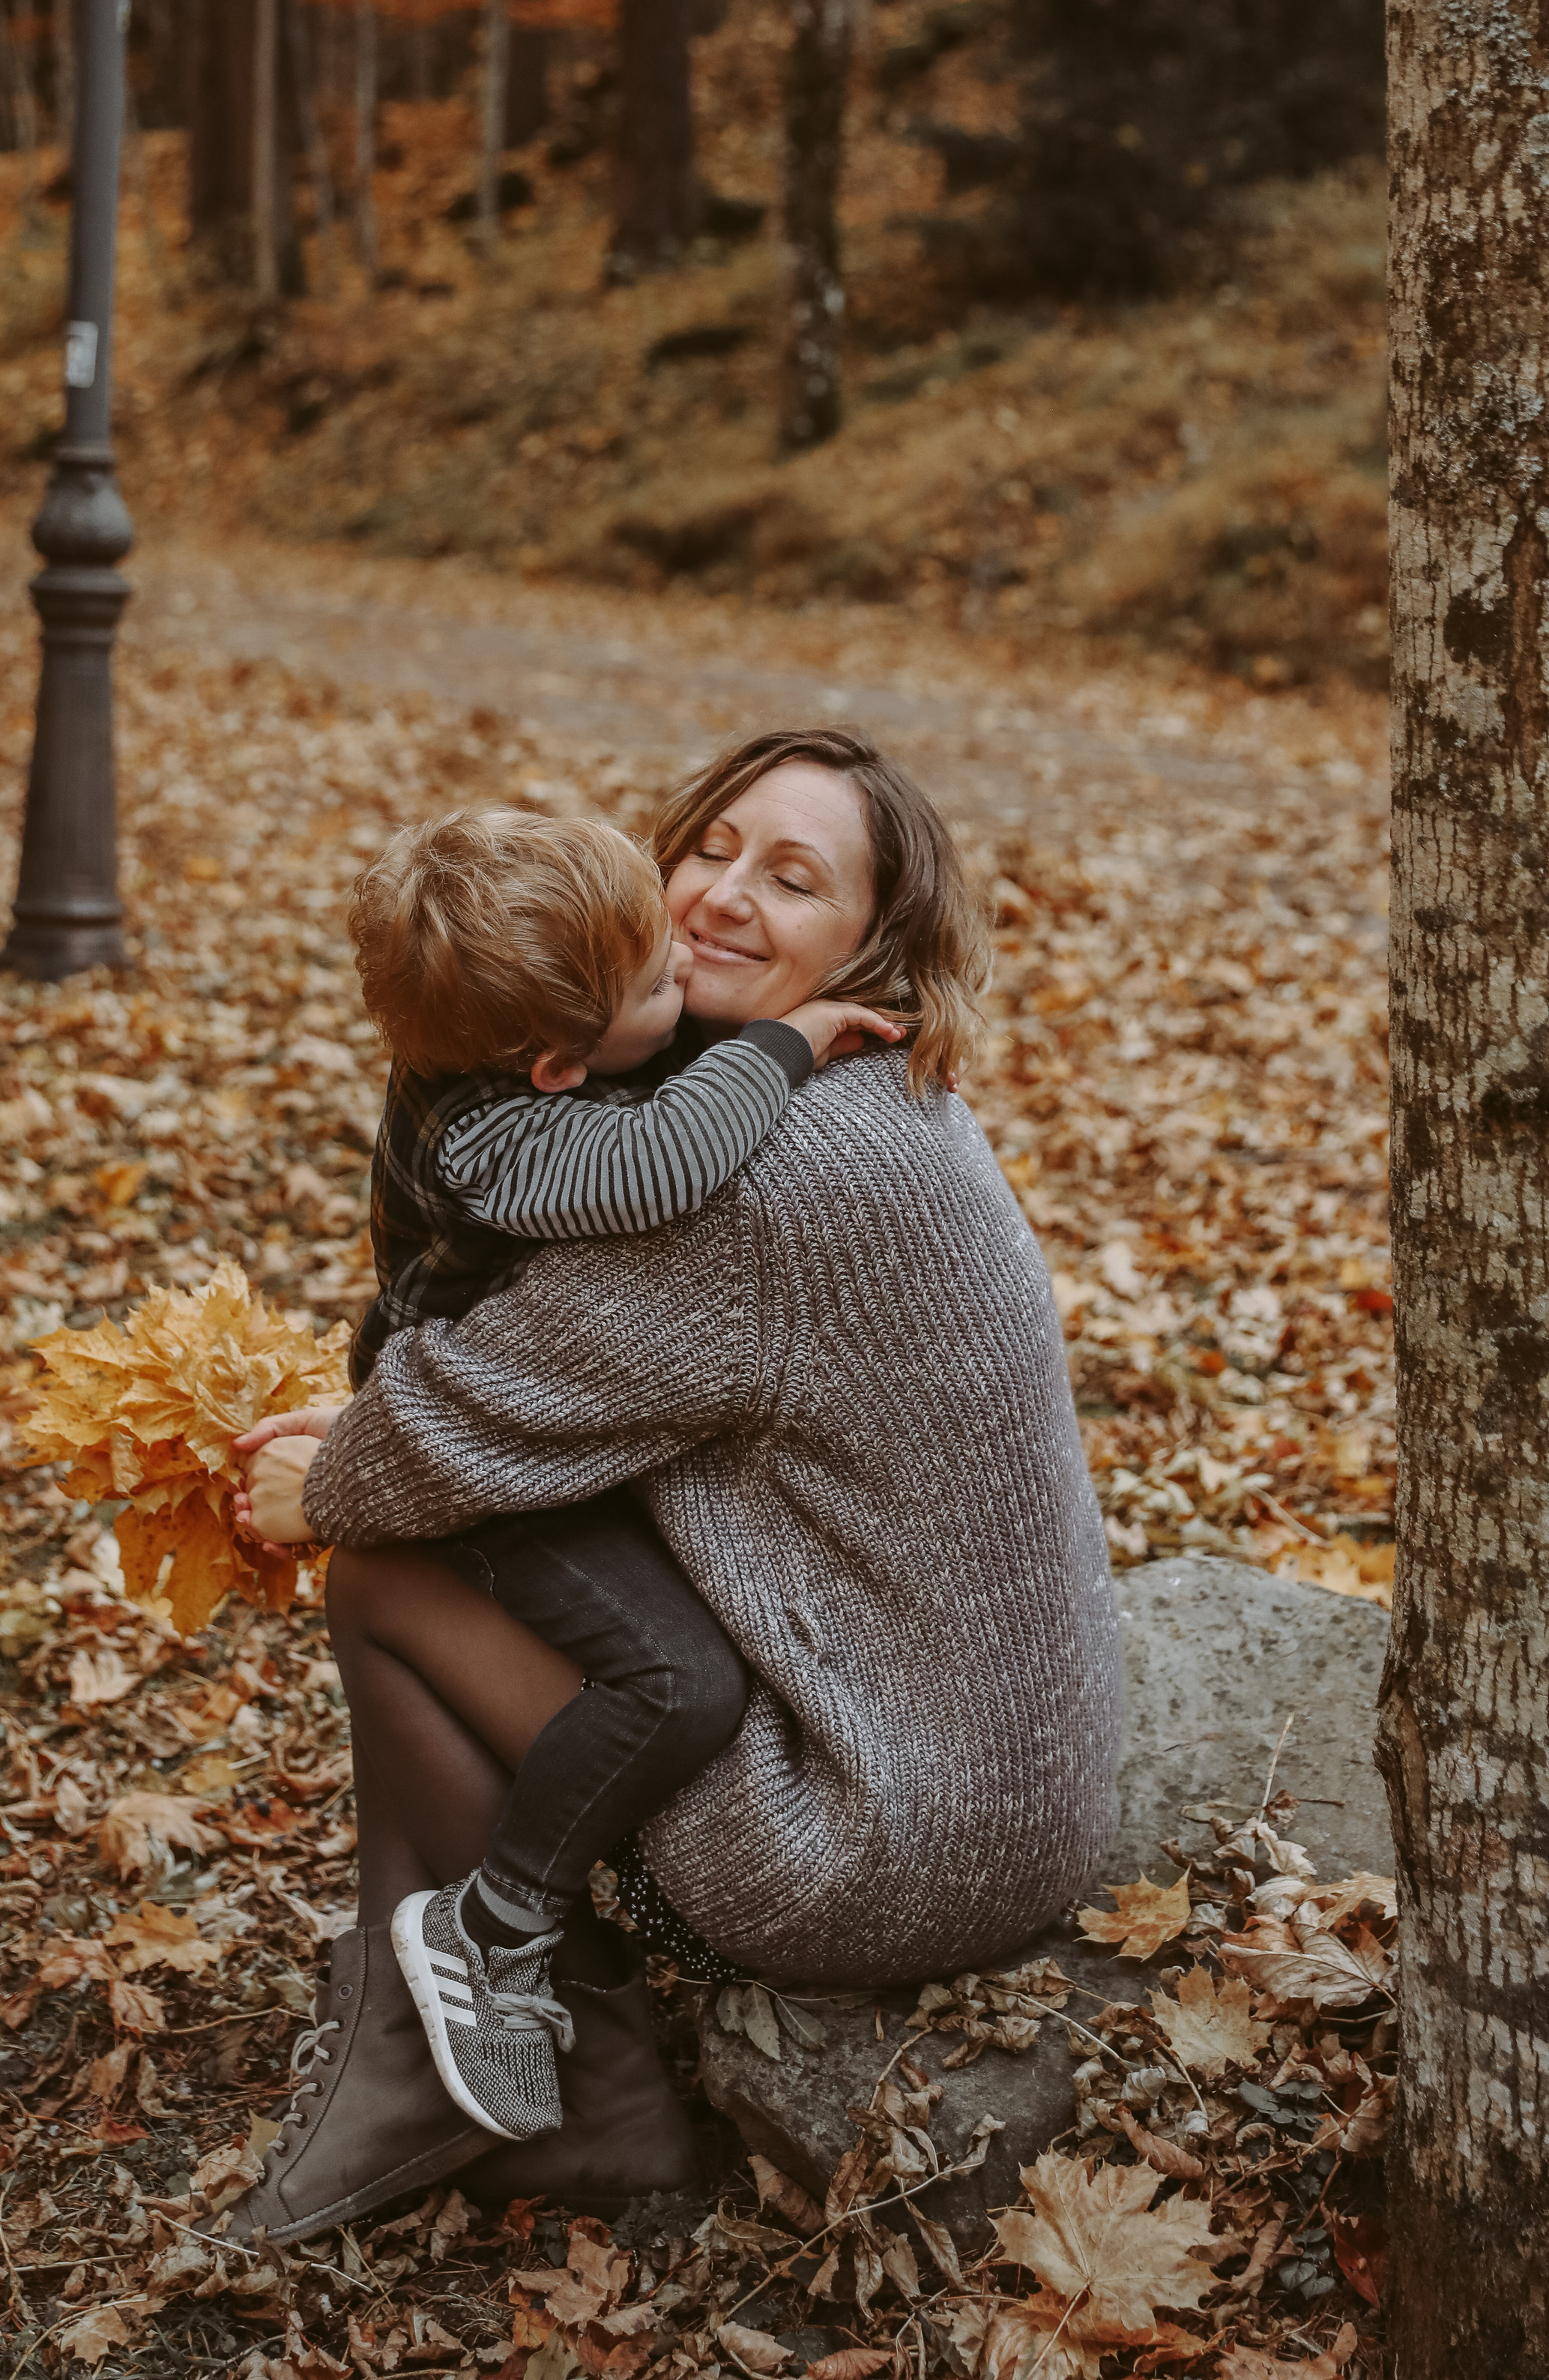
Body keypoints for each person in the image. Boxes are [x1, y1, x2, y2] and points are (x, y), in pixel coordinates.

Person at [220, 728, 1123, 2252]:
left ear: (870, 945)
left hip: (881, 1840)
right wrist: (389, 1426)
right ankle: (494, 2025)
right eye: (709, 846)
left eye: (790, 879)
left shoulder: (779, 1175)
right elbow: (575, 1378)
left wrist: (335, 1476)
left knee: (382, 1573)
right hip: (982, 1779)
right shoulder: (839, 1101)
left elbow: (472, 1422)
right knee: (466, 1534)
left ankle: (533, 2078)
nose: (717, 896)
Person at [244, 804, 904, 2148]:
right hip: (488, 1448)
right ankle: (495, 1927)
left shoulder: (506, 1034)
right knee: (674, 1684)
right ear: (553, 1067)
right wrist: (787, 1038)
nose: (688, 956)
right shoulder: (501, 1139)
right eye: (660, 980)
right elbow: (660, 1161)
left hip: (552, 1426)